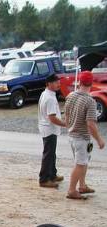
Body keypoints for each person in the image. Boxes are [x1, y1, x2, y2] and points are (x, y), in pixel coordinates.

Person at [64, 71, 105, 200]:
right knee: (80, 164)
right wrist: (99, 139)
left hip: (72, 135)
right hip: (81, 137)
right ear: (91, 83)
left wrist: (70, 126)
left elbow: (67, 115)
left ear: (80, 82)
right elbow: (91, 124)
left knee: (83, 161)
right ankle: (71, 190)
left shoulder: (70, 96)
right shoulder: (90, 101)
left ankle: (82, 185)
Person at [38, 74, 66, 188]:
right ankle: (44, 179)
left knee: (51, 153)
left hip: (47, 127)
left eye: (58, 81)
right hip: (49, 129)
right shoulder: (49, 97)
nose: (58, 84)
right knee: (48, 154)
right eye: (56, 82)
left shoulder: (47, 94)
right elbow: (52, 117)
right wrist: (65, 124)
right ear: (49, 84)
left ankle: (52, 174)